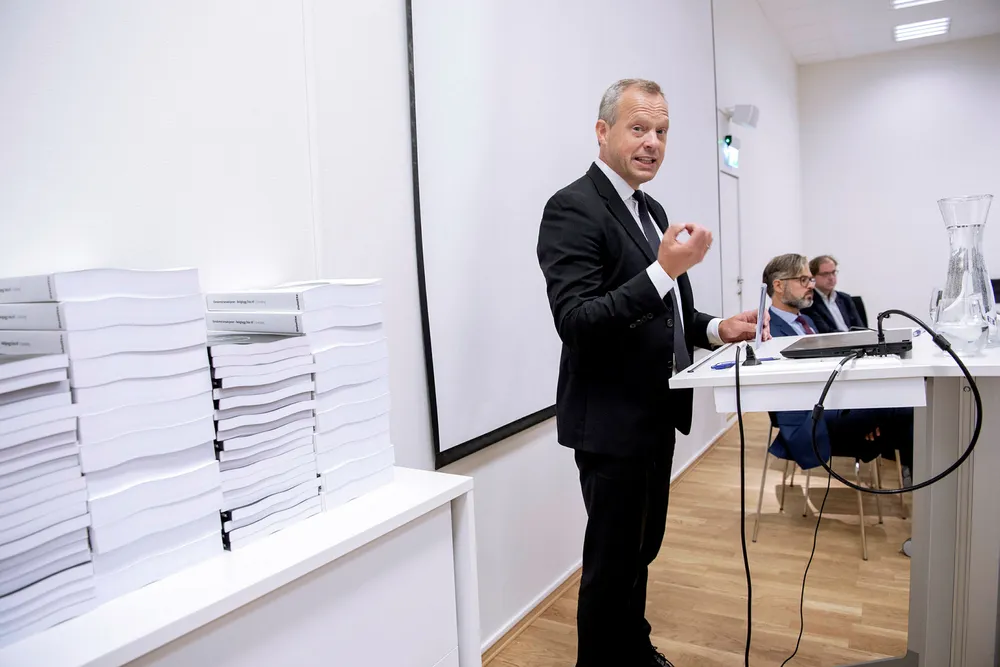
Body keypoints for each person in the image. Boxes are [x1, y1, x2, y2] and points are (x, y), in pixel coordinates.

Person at [536, 78, 767, 667]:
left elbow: (672, 314)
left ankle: (632, 649)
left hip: (655, 414)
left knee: (641, 551)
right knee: (611, 564)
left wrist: (718, 329)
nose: (652, 143)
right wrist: (663, 270)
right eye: (638, 128)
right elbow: (578, 322)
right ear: (602, 131)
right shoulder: (571, 207)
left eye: (661, 131)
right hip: (609, 423)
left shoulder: (651, 209)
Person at [763, 253, 912, 478]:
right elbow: (789, 391)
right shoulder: (768, 331)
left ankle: (903, 460)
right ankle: (915, 471)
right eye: (803, 280)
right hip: (810, 416)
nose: (811, 285)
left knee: (903, 397)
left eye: (811, 279)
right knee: (906, 407)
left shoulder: (806, 321)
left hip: (836, 397)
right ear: (778, 285)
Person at [801, 255, 865, 333]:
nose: (831, 278)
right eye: (825, 274)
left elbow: (860, 328)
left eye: (833, 272)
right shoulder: (809, 301)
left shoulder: (845, 298)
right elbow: (825, 332)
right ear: (812, 277)